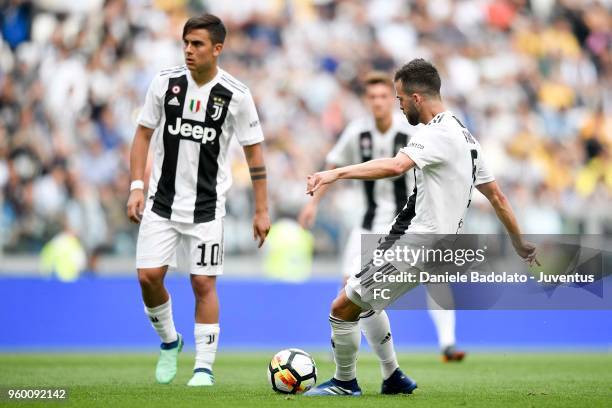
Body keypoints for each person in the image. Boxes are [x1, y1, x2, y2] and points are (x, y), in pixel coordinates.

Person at [304, 59, 538, 396]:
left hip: (416, 245)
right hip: (438, 246)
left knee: (341, 308)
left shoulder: (436, 133)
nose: (399, 107)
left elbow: (397, 165)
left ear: (416, 98)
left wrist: (335, 173)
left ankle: (344, 382)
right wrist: (519, 242)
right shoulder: (467, 137)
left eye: (400, 99)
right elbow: (498, 197)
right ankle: (393, 376)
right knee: (368, 304)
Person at [126, 14, 270, 387]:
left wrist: (261, 209)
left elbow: (255, 155)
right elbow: (142, 135)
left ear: (217, 49)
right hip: (161, 201)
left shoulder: (236, 95)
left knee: (203, 284)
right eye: (186, 43)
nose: (189, 50)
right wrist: (136, 186)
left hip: (207, 207)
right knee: (148, 277)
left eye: (198, 44)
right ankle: (170, 341)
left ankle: (203, 368)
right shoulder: (165, 83)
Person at [299, 72, 467, 367]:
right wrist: (314, 204)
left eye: (383, 97)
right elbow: (332, 164)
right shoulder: (357, 132)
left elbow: (406, 166)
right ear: (366, 100)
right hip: (367, 223)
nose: (377, 102)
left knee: (437, 279)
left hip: (407, 226)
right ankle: (343, 346)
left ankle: (447, 342)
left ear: (392, 100)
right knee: (349, 287)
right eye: (372, 97)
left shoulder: (414, 131)